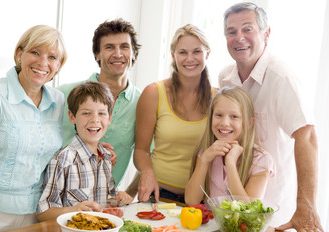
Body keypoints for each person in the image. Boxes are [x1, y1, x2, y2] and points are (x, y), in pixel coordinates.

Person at [219, 2, 327, 232]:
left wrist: (307, 206)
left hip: (273, 212)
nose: (239, 38)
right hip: (234, 206)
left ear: (266, 34)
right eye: (231, 31)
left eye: (248, 29)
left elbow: (307, 136)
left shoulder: (282, 77)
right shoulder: (225, 77)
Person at [0, 25, 67, 232]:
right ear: (19, 54)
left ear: (58, 65)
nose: (43, 63)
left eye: (52, 57)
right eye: (35, 52)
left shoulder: (59, 101)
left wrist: (97, 147)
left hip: (39, 214)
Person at [58, 18, 141, 190]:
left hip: (105, 204)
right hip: (60, 198)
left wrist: (128, 195)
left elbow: (150, 156)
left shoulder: (143, 102)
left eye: (124, 47)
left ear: (133, 54)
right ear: (97, 55)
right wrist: (85, 148)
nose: (118, 54)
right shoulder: (63, 94)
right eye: (109, 47)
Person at [134, 24, 214, 203]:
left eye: (197, 52)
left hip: (202, 200)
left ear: (207, 54)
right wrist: (147, 172)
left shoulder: (218, 99)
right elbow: (140, 150)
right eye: (183, 52)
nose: (190, 59)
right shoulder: (154, 93)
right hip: (159, 195)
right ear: (173, 56)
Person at [36, 82, 133, 221]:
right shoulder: (63, 160)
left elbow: (105, 202)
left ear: (109, 118)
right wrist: (72, 211)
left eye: (101, 113)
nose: (95, 120)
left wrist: (119, 199)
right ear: (72, 117)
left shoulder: (106, 157)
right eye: (86, 113)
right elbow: (43, 213)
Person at [185, 86, 274, 205]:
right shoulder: (206, 151)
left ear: (249, 123)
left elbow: (247, 211)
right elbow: (191, 200)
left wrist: (230, 164)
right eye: (219, 115)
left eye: (234, 116)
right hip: (211, 223)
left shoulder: (261, 160)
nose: (224, 123)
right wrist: (204, 160)